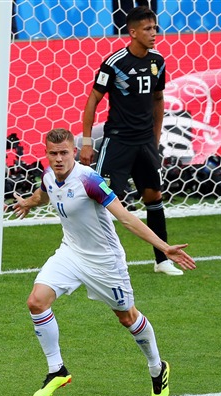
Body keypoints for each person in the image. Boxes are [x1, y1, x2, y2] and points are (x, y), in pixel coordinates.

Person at [12, 128, 196, 396]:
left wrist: (163, 247)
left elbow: (127, 219)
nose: (59, 159)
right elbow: (45, 194)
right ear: (46, 153)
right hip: (71, 253)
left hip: (105, 262)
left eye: (64, 153)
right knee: (36, 302)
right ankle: (57, 370)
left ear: (74, 152)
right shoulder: (49, 176)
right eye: (53, 153)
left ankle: (158, 369)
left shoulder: (90, 181)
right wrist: (28, 202)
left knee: (127, 318)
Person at [80, 6, 182, 275]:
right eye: (148, 29)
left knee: (154, 197)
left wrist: (155, 140)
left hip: (144, 143)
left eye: (155, 28)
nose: (154, 34)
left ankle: (162, 260)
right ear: (132, 32)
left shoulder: (157, 61)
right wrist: (88, 141)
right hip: (118, 140)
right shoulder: (115, 63)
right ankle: (92, 258)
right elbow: (93, 99)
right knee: (99, 197)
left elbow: (158, 100)